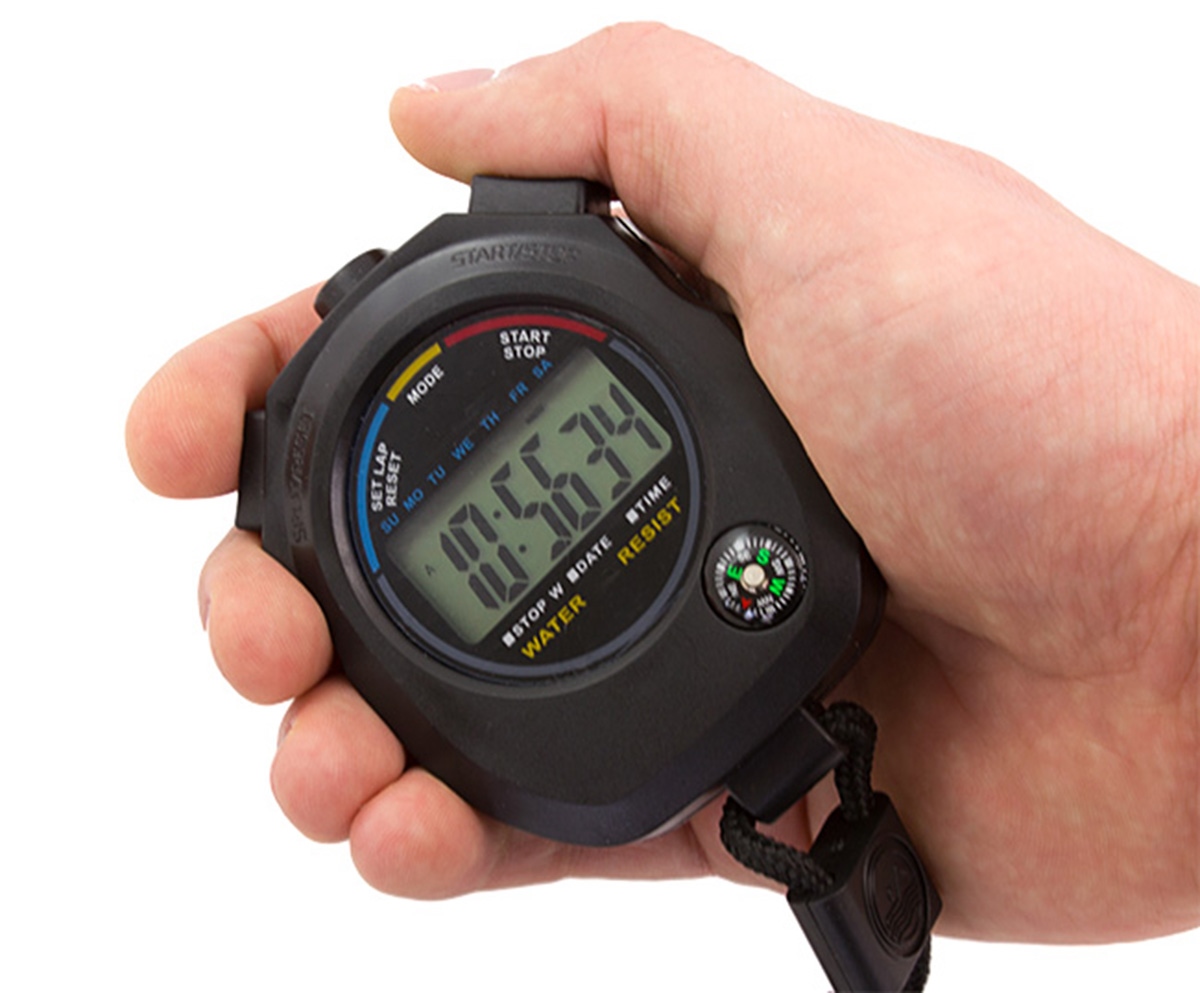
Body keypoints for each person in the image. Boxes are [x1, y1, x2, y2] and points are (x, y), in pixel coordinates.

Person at [125, 23, 1198, 944]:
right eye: (489, 533)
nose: (550, 513)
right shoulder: (534, 237)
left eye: (571, 448)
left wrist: (1169, 543)